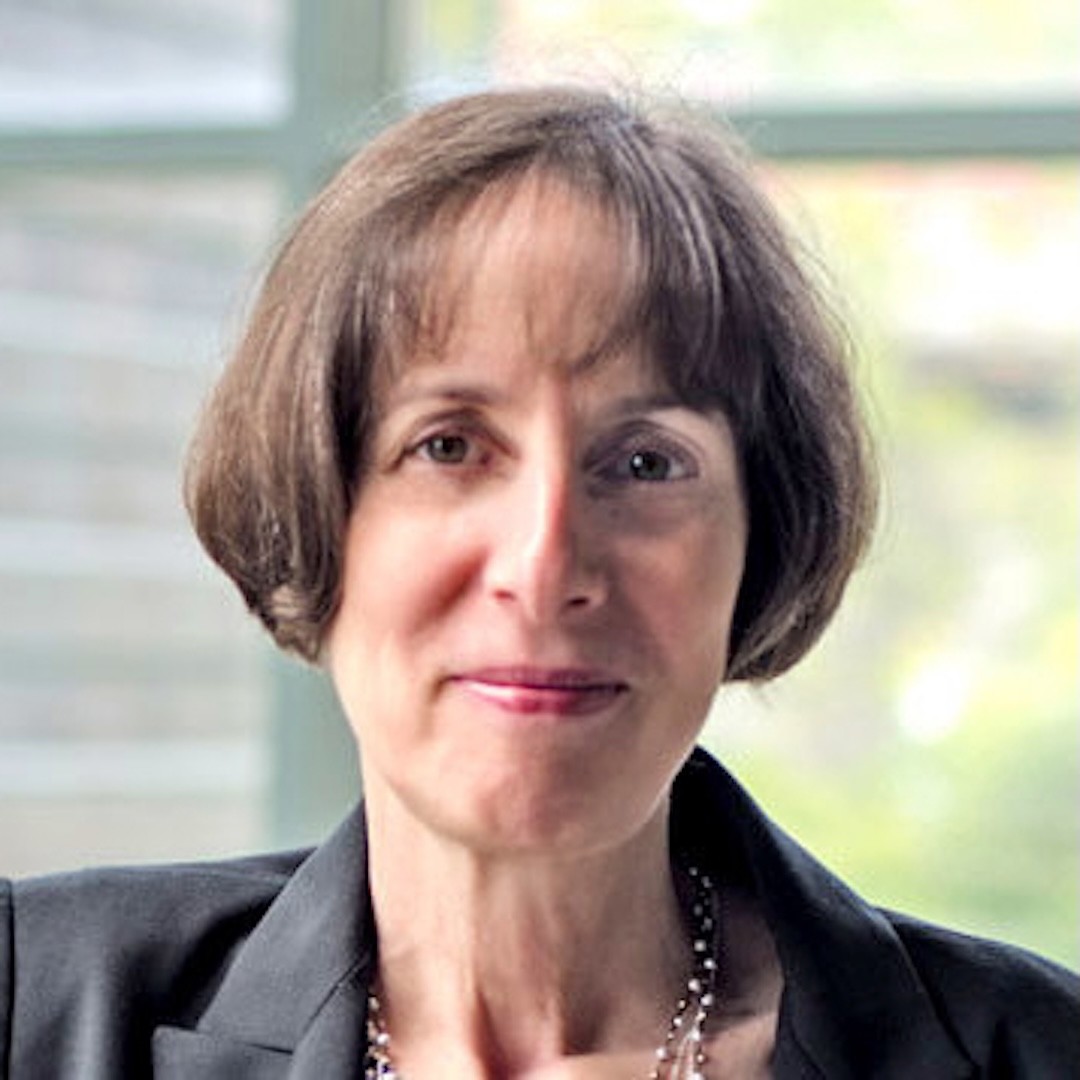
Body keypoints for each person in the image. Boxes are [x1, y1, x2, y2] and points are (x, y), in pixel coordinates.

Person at [1, 86, 1076, 1080]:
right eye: (450, 446)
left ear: (762, 538)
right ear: (317, 511)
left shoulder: (1036, 1051)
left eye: (647, 462)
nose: (545, 565)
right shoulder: (33, 1008)